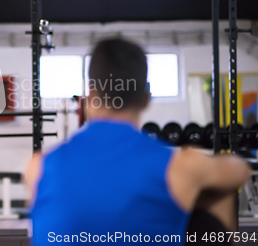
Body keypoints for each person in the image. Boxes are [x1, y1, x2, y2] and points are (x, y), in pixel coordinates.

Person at [26, 38, 252, 245]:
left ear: (90, 96)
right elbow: (240, 171)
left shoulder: (38, 167)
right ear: (146, 99)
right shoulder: (181, 165)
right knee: (216, 195)